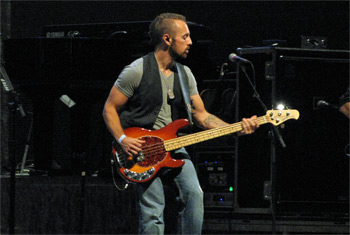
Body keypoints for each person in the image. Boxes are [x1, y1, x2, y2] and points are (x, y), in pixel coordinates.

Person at [102, 13, 259, 234]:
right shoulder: (136, 70)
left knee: (195, 194)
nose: (191, 42)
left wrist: (235, 129)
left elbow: (202, 116)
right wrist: (123, 139)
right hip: (141, 151)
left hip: (174, 146)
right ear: (167, 39)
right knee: (153, 209)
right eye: (185, 36)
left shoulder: (185, 75)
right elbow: (109, 108)